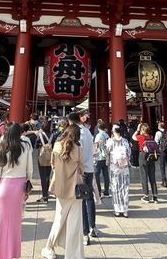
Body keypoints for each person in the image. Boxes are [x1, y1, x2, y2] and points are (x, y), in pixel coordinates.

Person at [41, 124, 85, 259]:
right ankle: (74, 254)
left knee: (59, 219)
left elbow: (53, 165)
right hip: (75, 189)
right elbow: (82, 169)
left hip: (60, 187)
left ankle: (49, 247)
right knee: (75, 222)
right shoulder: (78, 149)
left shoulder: (57, 146)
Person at [0, 123, 33, 259]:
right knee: (15, 223)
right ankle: (13, 253)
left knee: (1, 223)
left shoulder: (2, 148)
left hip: (4, 186)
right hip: (19, 187)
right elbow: (29, 170)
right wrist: (27, 186)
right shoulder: (26, 146)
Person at [68, 111, 97, 243]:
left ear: (71, 122)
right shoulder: (88, 132)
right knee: (89, 198)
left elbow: (78, 153)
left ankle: (85, 233)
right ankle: (93, 227)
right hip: (90, 168)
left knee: (82, 201)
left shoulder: (78, 133)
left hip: (81, 170)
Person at [106, 124, 131, 217]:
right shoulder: (125, 141)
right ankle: (125, 210)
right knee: (125, 188)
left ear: (113, 131)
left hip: (114, 167)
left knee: (115, 187)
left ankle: (117, 210)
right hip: (124, 167)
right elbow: (129, 152)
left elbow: (106, 152)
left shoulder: (110, 141)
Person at [133, 122, 158, 204]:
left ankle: (146, 196)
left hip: (143, 156)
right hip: (151, 157)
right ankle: (155, 196)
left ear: (142, 130)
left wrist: (137, 130)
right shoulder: (151, 137)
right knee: (152, 176)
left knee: (144, 176)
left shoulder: (140, 137)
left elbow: (133, 137)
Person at [36, 120, 53, 203]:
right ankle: (47, 193)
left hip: (42, 157)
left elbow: (36, 145)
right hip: (50, 157)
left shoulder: (40, 135)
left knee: (43, 177)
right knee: (47, 176)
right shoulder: (52, 135)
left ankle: (44, 196)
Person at [155, 121, 167, 186]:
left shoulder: (158, 133)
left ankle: (164, 181)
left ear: (159, 126)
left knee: (162, 166)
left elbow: (156, 142)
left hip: (162, 151)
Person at [94, 121, 110, 197]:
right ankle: (106, 191)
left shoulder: (98, 135)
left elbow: (96, 146)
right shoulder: (107, 135)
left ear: (98, 127)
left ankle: (99, 191)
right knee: (105, 174)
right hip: (106, 156)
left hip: (99, 156)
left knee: (97, 174)